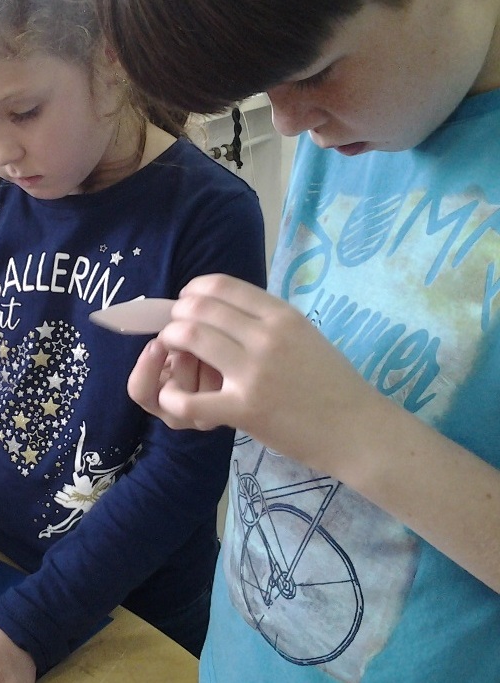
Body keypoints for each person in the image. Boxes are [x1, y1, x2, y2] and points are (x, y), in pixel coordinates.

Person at [0, 1, 267, 681]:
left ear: (111, 60)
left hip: (141, 600)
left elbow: (187, 466)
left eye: (23, 112)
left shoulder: (210, 216)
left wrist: (32, 625)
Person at [97, 0, 500, 681]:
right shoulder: (347, 130)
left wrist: (348, 428)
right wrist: (248, 386)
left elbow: (347, 420)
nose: (286, 122)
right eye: (265, 89)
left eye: (314, 74)